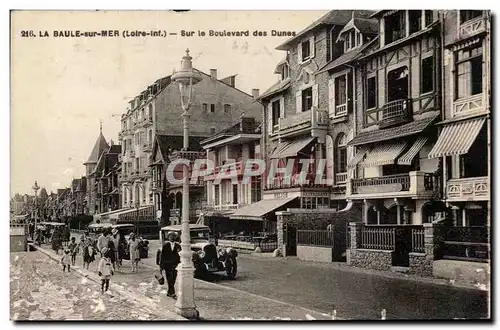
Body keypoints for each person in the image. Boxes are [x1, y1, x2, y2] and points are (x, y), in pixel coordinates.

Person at [160, 231, 181, 298]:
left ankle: (169, 292)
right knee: (169, 279)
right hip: (167, 265)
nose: (172, 238)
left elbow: (180, 256)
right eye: (170, 236)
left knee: (173, 279)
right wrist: (161, 266)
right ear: (168, 238)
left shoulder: (178, 246)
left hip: (175, 265)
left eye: (173, 236)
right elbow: (162, 256)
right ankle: (173, 293)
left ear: (175, 237)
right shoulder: (165, 246)